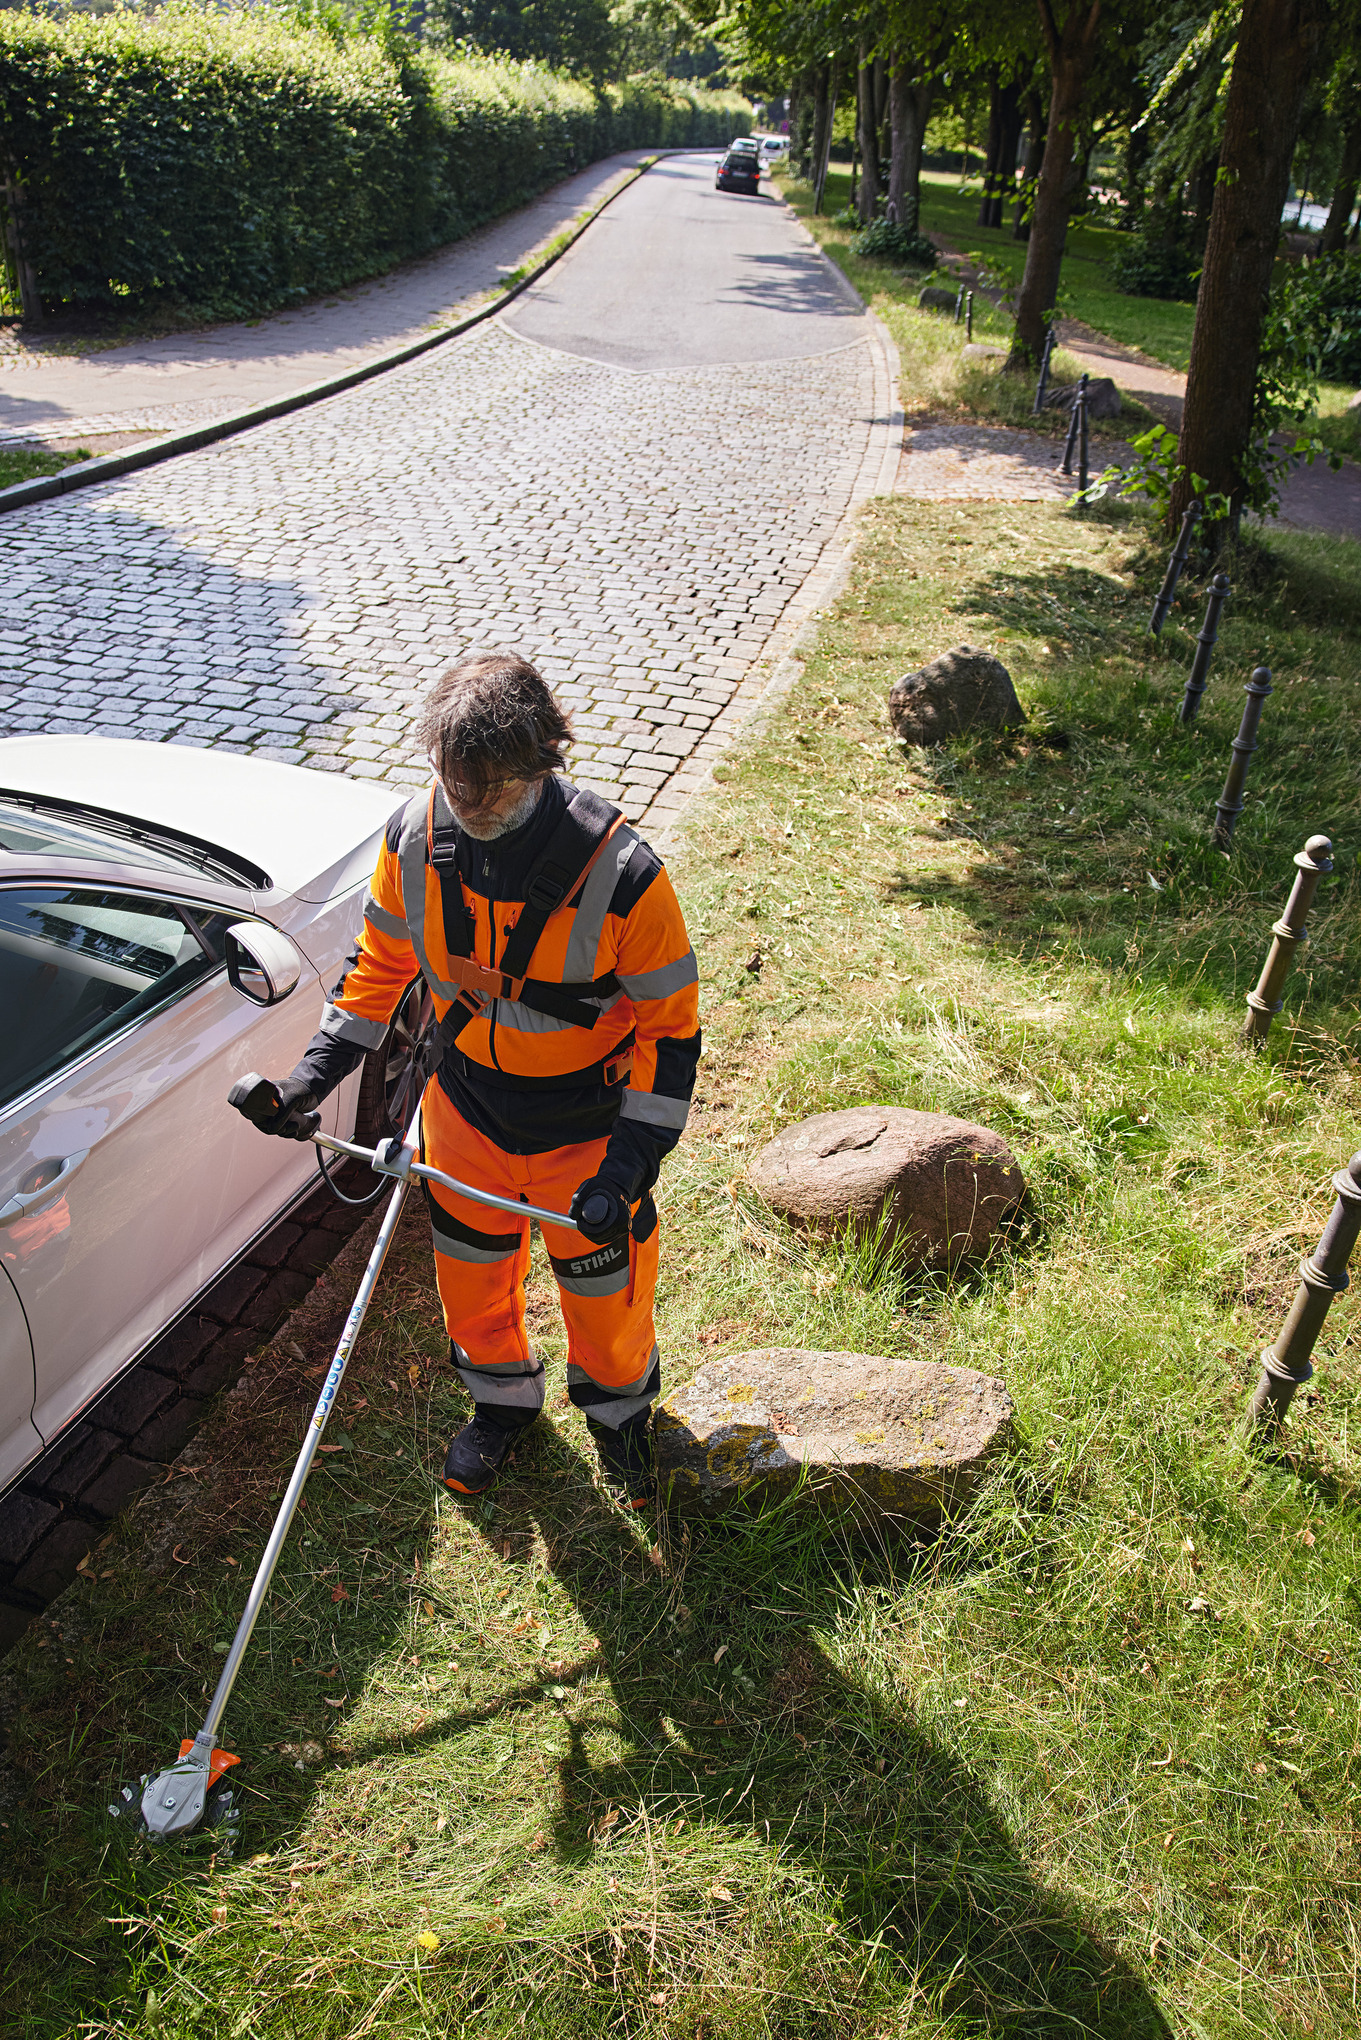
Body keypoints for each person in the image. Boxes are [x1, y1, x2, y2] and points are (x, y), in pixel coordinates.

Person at [231, 651, 700, 1508]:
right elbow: (378, 970)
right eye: (456, 782)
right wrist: (309, 1081)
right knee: (471, 1276)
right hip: (466, 1116)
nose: (472, 804)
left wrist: (627, 1169)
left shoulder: (627, 877)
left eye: (493, 786)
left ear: (544, 760)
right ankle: (500, 1404)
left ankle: (620, 1417)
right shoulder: (413, 838)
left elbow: (670, 1039)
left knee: (604, 1290)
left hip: (587, 1128)